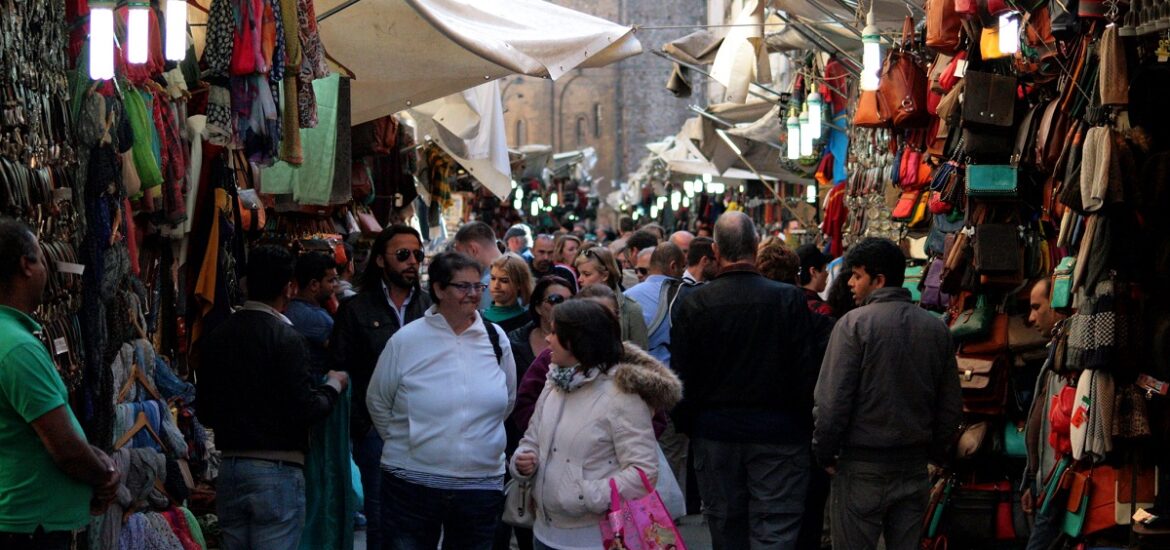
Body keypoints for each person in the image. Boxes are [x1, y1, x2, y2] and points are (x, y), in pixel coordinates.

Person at [671, 211, 820, 549]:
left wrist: (691, 425)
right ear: (755, 245)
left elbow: (681, 375)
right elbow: (804, 370)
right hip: (778, 434)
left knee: (726, 527)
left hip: (716, 432)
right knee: (776, 526)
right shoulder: (788, 299)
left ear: (715, 250)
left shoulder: (695, 303)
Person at [813, 238, 962, 550]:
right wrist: (934, 452)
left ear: (878, 280)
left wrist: (824, 452)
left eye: (856, 276)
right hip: (913, 467)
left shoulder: (853, 325)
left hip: (862, 466)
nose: (850, 284)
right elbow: (949, 406)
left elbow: (831, 403)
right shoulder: (935, 330)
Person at [199, 245, 350, 550]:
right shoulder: (287, 338)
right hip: (276, 471)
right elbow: (306, 407)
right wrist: (333, 386)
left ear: (245, 285)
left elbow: (206, 410)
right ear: (289, 288)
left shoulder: (218, 336)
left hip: (231, 467)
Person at [367, 251, 516, 550]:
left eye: (478, 286)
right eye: (463, 286)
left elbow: (507, 399)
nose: (473, 295)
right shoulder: (406, 340)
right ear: (438, 289)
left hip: (480, 485)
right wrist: (414, 444)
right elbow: (378, 402)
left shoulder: (496, 339)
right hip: (411, 486)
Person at [511, 299, 682, 550]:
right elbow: (532, 439)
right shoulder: (553, 382)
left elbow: (643, 472)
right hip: (545, 534)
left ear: (577, 340)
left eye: (555, 332)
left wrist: (582, 495)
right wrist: (523, 460)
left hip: (597, 538)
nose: (547, 339)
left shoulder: (622, 396)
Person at [0, 219, 120, 550]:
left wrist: (93, 455)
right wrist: (105, 476)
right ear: (26, 265)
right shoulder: (17, 348)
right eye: (41, 259)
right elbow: (65, 448)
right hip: (32, 527)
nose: (45, 270)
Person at [332, 225, 432, 549]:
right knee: (381, 522)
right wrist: (364, 429)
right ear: (380, 260)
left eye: (417, 254)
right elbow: (340, 368)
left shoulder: (432, 310)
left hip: (427, 430)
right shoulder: (356, 309)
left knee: (422, 521)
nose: (412, 262)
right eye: (403, 254)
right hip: (376, 434)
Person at [1022, 278, 1070, 550]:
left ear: (1056, 306)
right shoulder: (1056, 354)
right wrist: (1032, 482)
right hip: (1049, 482)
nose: (1031, 317)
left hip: (1059, 481)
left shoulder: (1066, 358)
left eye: (1036, 307)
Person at [573, 247, 649, 349]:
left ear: (605, 275)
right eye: (579, 273)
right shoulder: (574, 306)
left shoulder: (631, 309)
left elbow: (641, 354)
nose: (579, 279)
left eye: (586, 274)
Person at [508, 276, 576, 376]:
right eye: (556, 300)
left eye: (571, 300)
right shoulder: (514, 342)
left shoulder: (582, 340)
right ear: (538, 307)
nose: (566, 306)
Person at [286, 252, 340, 376]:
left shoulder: (291, 308)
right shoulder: (318, 318)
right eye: (331, 281)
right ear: (314, 284)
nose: (335, 285)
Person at [454, 221, 504, 310]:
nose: (459, 262)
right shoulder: (514, 268)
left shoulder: (489, 283)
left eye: (461, 256)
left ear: (473, 250)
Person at [484, 253, 535, 334]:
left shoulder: (529, 321)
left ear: (519, 284)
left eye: (504, 280)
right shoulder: (477, 317)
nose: (496, 286)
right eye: (493, 278)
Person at [796, 244, 833, 317]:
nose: (827, 273)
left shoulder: (792, 302)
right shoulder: (822, 310)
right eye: (824, 269)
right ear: (813, 272)